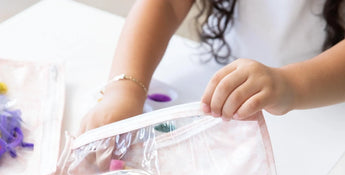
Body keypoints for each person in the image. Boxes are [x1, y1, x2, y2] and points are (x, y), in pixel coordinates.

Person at [79, 0, 345, 133]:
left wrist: (290, 85)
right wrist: (124, 90)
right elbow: (168, 5)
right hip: (220, 81)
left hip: (324, 101)